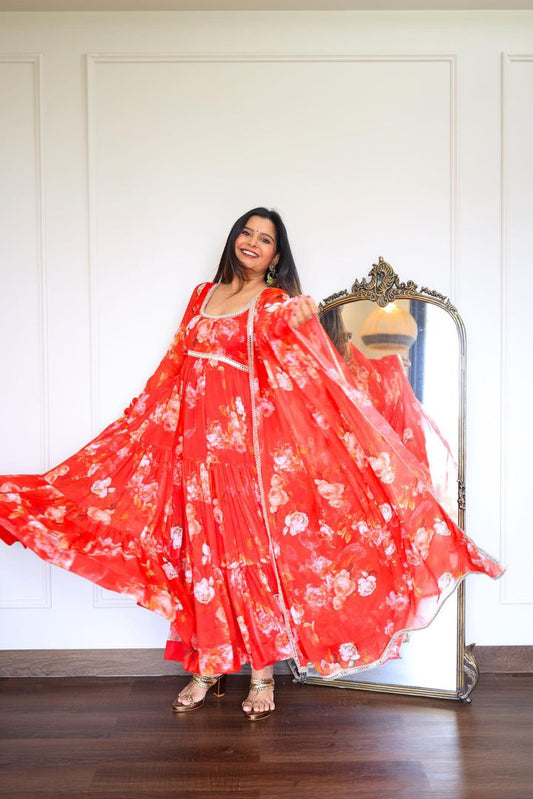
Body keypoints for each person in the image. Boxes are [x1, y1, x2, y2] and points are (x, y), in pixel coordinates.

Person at [0, 207, 505, 722]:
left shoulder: (270, 304)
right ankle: (208, 667)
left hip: (242, 460)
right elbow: (173, 367)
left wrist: (299, 314)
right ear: (234, 239)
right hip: (191, 456)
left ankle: (262, 675)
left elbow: (288, 333)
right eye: (247, 232)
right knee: (201, 564)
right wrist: (140, 424)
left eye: (264, 239)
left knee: (249, 565)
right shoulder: (202, 296)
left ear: (275, 256)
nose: (252, 242)